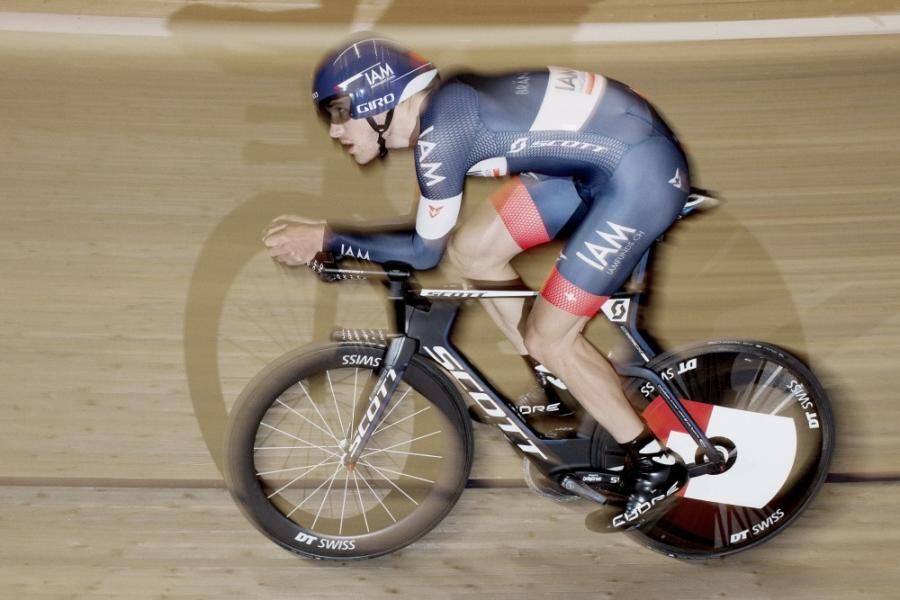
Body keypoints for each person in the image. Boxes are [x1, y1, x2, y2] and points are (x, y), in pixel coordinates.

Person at [264, 36, 688, 527]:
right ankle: (562, 384)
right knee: (474, 250)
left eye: (338, 112)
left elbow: (424, 250)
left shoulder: (444, 135)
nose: (335, 130)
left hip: (638, 174)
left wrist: (327, 237)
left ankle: (657, 466)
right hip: (594, 160)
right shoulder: (444, 113)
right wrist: (335, 241)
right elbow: (439, 243)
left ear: (377, 100)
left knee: (549, 337)